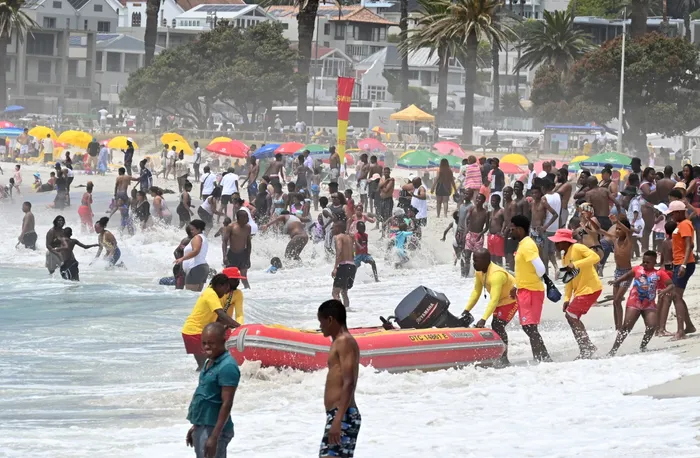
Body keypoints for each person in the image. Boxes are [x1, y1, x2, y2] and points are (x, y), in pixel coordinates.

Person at [317, 299, 361, 458]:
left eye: (321, 321)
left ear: (330, 320)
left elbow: (349, 382)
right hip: (340, 414)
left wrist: (338, 419)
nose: (320, 326)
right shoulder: (338, 342)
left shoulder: (345, 341)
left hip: (343, 415)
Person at [549, 229, 602, 359]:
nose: (555, 245)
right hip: (580, 291)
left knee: (571, 316)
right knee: (571, 317)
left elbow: (595, 257)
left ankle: (587, 347)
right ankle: (585, 347)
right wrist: (566, 299)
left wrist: (575, 264)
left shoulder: (577, 247)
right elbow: (568, 279)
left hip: (591, 288)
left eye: (557, 242)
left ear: (565, 242)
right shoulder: (565, 257)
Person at [608, 251, 672, 356]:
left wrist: (664, 291)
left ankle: (643, 346)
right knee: (626, 327)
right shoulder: (637, 269)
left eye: (648, 262)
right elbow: (627, 275)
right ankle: (613, 350)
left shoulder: (659, 273)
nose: (645, 264)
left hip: (649, 304)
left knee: (652, 326)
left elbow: (671, 285)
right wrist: (617, 281)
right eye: (644, 261)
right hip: (634, 302)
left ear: (654, 262)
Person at [463, 249, 518, 366]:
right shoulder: (479, 271)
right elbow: (476, 292)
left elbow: (494, 299)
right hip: (499, 301)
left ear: (486, 261)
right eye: (473, 260)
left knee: (498, 325)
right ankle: (496, 355)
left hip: (511, 300)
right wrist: (466, 310)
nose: (474, 263)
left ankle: (504, 358)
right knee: (495, 325)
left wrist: (483, 319)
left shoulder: (496, 274)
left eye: (476, 261)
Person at [510, 214, 552, 362]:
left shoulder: (527, 245)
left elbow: (541, 269)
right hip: (525, 290)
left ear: (520, 229)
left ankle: (543, 358)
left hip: (531, 291)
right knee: (529, 327)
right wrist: (517, 285)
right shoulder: (523, 244)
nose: (510, 231)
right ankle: (541, 358)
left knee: (529, 327)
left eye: (513, 229)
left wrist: (529, 281)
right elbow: (524, 268)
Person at [181, 274, 243, 368]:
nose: (226, 292)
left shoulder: (212, 293)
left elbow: (218, 319)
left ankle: (196, 377)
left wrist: (228, 327)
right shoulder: (211, 294)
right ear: (219, 286)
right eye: (226, 289)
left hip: (196, 331)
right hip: (194, 332)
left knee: (206, 365)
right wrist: (240, 327)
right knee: (206, 364)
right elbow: (221, 314)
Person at [667, 200, 697, 340]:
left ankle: (680, 331)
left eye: (673, 214)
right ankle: (688, 326)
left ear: (678, 212)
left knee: (676, 296)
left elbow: (689, 245)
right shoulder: (681, 224)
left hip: (684, 263)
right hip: (680, 263)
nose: (671, 216)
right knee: (677, 295)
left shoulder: (684, 224)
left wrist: (683, 265)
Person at [176, 220, 210, 292]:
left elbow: (195, 251)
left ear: (199, 229)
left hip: (196, 268)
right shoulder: (203, 237)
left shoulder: (197, 237)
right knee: (196, 296)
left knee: (190, 295)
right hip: (201, 267)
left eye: (192, 229)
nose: (191, 231)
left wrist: (182, 258)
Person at [224, 210, 252, 289]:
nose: (248, 219)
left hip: (243, 254)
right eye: (246, 217)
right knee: (229, 278)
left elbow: (248, 243)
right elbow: (224, 242)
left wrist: (248, 257)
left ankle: (249, 293)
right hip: (232, 254)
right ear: (240, 218)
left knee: (244, 278)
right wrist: (224, 256)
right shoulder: (231, 226)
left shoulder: (248, 227)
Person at [463, 193, 490, 274]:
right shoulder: (472, 209)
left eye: (479, 199)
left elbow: (487, 227)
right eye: (477, 198)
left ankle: (476, 275)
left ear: (483, 201)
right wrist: (466, 230)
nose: (477, 200)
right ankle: (465, 276)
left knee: (477, 258)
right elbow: (466, 219)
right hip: (470, 234)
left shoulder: (486, 212)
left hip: (479, 236)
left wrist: (481, 234)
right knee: (467, 256)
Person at [331, 221, 356, 309]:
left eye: (333, 228)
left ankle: (340, 312)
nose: (332, 230)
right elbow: (354, 252)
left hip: (343, 266)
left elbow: (339, 251)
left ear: (338, 228)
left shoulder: (338, 237)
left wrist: (335, 268)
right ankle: (347, 311)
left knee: (335, 293)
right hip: (352, 266)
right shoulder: (350, 238)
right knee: (344, 292)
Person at [487, 194, 505, 265]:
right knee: (491, 256)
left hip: (498, 236)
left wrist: (502, 231)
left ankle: (500, 270)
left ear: (498, 201)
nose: (492, 202)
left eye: (494, 201)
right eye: (491, 201)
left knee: (498, 257)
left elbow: (506, 221)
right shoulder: (491, 212)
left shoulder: (502, 211)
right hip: (491, 236)